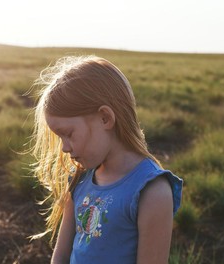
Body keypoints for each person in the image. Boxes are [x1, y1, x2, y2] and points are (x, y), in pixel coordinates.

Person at [29, 55, 183, 263]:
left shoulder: (152, 192)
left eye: (69, 134)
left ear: (105, 118)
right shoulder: (79, 179)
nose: (64, 148)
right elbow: (61, 255)